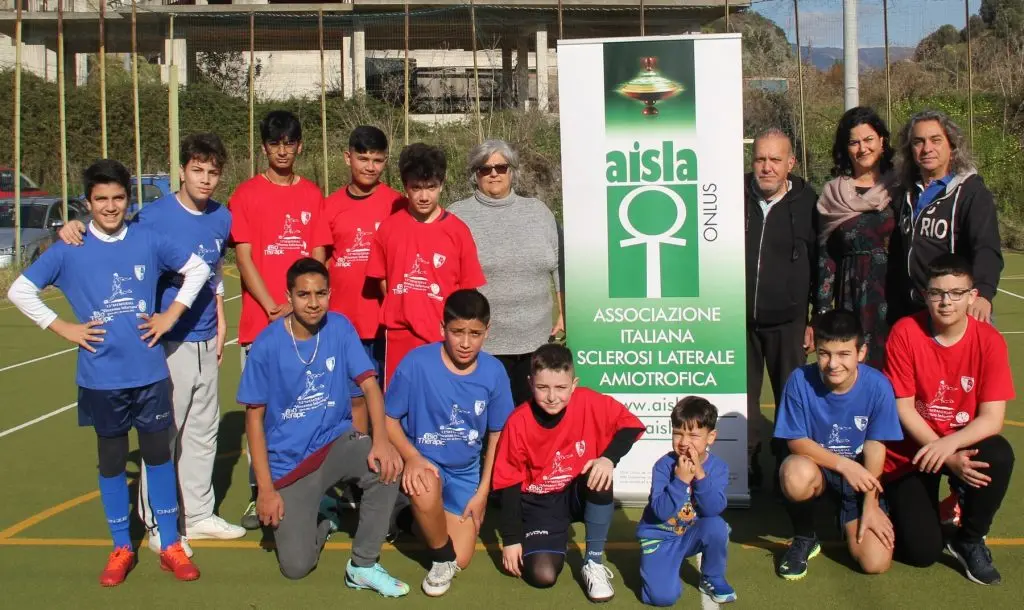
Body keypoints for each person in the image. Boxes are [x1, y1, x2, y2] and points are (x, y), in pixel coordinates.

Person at [7, 159, 209, 585]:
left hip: (149, 373)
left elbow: (198, 269)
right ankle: (121, 546)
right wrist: (64, 328)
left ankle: (169, 543)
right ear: (87, 203)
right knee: (112, 461)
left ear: (128, 199)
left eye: (118, 198)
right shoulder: (69, 248)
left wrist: (170, 316)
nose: (111, 206)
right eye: (102, 199)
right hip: (101, 378)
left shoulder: (147, 238)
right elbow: (20, 290)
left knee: (157, 457)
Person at [57, 134, 245, 552]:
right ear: (181, 171)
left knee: (203, 430)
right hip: (166, 342)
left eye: (213, 172)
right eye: (197, 170)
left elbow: (212, 272)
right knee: (164, 436)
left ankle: (196, 514)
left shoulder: (221, 217)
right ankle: (159, 522)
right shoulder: (152, 217)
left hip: (205, 338)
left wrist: (221, 314)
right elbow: (116, 239)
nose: (206, 179)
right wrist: (70, 227)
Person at [236, 257, 409, 594]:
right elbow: (254, 420)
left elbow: (370, 386)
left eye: (320, 293)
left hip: (335, 443)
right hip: (290, 463)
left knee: (388, 468)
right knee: (296, 567)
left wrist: (382, 442)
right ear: (289, 296)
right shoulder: (267, 345)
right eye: (303, 295)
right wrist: (266, 490)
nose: (313, 303)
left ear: (330, 294)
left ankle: (363, 564)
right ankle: (325, 516)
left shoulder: (340, 327)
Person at [882, 254, 1015, 585]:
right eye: (937, 292)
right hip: (914, 449)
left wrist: (952, 448)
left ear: (972, 296)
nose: (945, 301)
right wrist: (943, 453)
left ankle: (969, 538)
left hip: (960, 442)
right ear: (924, 295)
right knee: (921, 553)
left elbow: (992, 418)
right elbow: (903, 408)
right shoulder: (905, 332)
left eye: (956, 293)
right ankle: (912, 505)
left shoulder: (990, 340)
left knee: (998, 454)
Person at [229, 110, 330, 529]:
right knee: (264, 415)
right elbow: (244, 255)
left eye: (290, 143)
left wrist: (300, 302)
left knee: (308, 411)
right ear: (264, 148)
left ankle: (312, 495)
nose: (283, 150)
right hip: (262, 321)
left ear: (300, 146)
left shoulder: (312, 194)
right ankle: (261, 494)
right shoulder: (246, 194)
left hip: (305, 324)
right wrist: (272, 303)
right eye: (275, 144)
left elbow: (319, 254)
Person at [383, 289, 514, 596]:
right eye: (457, 332)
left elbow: (498, 434)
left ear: (487, 331)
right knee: (429, 497)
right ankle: (439, 557)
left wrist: (483, 492)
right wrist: (412, 457)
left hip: (465, 472)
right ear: (443, 328)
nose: (465, 343)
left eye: (475, 333)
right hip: (424, 463)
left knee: (464, 557)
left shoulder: (494, 372)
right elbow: (388, 419)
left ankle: (404, 516)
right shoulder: (416, 363)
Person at [492, 343, 645, 602]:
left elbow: (631, 425)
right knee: (543, 576)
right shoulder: (518, 421)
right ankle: (551, 538)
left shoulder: (589, 401)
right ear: (530, 383)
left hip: (576, 490)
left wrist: (608, 458)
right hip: (539, 503)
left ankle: (593, 563)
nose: (552, 396)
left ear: (573, 384)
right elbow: (509, 484)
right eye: (543, 387)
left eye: (561, 388)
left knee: (600, 475)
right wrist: (511, 540)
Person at [773, 309, 903, 580]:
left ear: (861, 352)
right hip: (820, 470)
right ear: (816, 350)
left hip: (859, 481)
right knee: (794, 473)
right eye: (824, 353)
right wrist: (844, 465)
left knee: (875, 563)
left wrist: (870, 504)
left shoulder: (878, 386)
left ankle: (849, 519)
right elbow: (795, 441)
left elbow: (876, 446)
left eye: (844, 354)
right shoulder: (799, 380)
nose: (833, 363)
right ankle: (805, 536)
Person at [448, 139, 564, 405]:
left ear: (512, 171)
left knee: (527, 421)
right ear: (474, 174)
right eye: (484, 168)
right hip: (480, 345)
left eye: (501, 167)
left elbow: (558, 266)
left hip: (536, 341)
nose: (493, 174)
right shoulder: (456, 216)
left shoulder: (539, 212)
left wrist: (564, 313)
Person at [367, 142, 486, 387]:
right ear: (405, 186)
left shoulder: (458, 231)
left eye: (431, 187)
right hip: (400, 335)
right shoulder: (388, 229)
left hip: (444, 337)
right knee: (399, 406)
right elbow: (382, 280)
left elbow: (468, 291)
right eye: (416, 188)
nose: (423, 196)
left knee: (441, 405)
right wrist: (402, 307)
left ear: (441, 185)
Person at [744, 128, 819, 489]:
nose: (767, 167)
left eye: (775, 160)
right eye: (760, 159)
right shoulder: (731, 194)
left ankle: (787, 467)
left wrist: (814, 318)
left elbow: (822, 264)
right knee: (742, 401)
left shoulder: (808, 202)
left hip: (788, 321)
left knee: (792, 399)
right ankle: (747, 463)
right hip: (738, 321)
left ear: (791, 163)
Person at [319, 125, 404, 435]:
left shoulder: (397, 203)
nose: (370, 167)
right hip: (345, 323)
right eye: (363, 158)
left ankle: (390, 468)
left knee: (389, 398)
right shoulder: (329, 206)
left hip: (386, 322)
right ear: (347, 157)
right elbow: (320, 262)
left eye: (378, 160)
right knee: (353, 400)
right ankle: (359, 465)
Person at [889, 109, 1003, 323]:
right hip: (914, 311)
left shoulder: (971, 192)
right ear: (910, 149)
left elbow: (986, 247)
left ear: (951, 146)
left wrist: (983, 294)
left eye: (936, 140)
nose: (927, 149)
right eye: (918, 142)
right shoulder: (905, 194)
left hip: (956, 311)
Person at [815, 106, 898, 368]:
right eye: (854, 142)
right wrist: (822, 312)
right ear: (845, 148)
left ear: (882, 141)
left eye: (869, 139)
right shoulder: (832, 194)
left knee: (895, 372)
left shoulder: (900, 187)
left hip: (894, 296)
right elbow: (826, 259)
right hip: (849, 297)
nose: (862, 148)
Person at [636, 397, 735, 606]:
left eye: (693, 435)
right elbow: (660, 512)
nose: (683, 442)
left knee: (717, 526)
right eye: (678, 433)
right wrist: (680, 480)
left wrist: (699, 473)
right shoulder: (664, 466)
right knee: (662, 598)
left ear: (711, 437)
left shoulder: (719, 468)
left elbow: (713, 509)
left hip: (690, 533)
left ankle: (712, 577)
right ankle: (658, 570)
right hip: (661, 536)